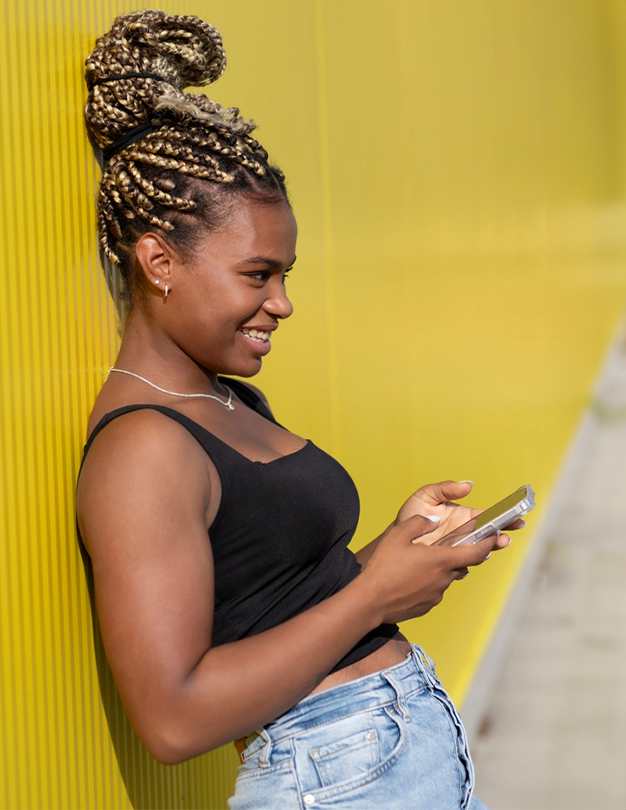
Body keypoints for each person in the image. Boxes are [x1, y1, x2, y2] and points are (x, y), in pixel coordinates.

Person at [77, 11, 519, 809]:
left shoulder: (224, 397)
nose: (281, 303)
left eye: (284, 275)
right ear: (159, 260)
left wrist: (396, 549)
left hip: (397, 757)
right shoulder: (143, 449)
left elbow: (273, 594)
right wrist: (376, 592)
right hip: (337, 776)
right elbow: (172, 719)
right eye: (258, 275)